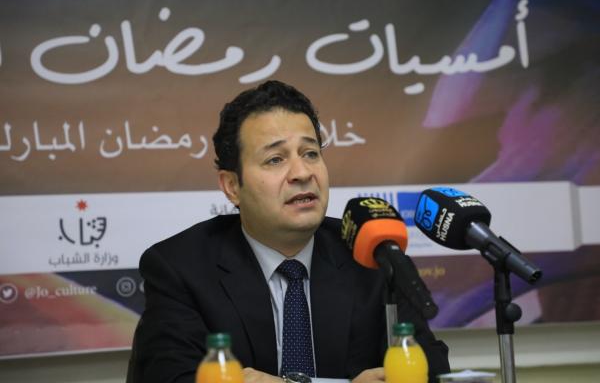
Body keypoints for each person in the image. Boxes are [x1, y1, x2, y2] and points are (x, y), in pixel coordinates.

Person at [127, 80, 450, 383]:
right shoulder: (181, 267)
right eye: (275, 159)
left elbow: (431, 367)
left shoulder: (370, 255)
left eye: (311, 153)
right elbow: (171, 375)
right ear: (232, 186)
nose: (302, 172)